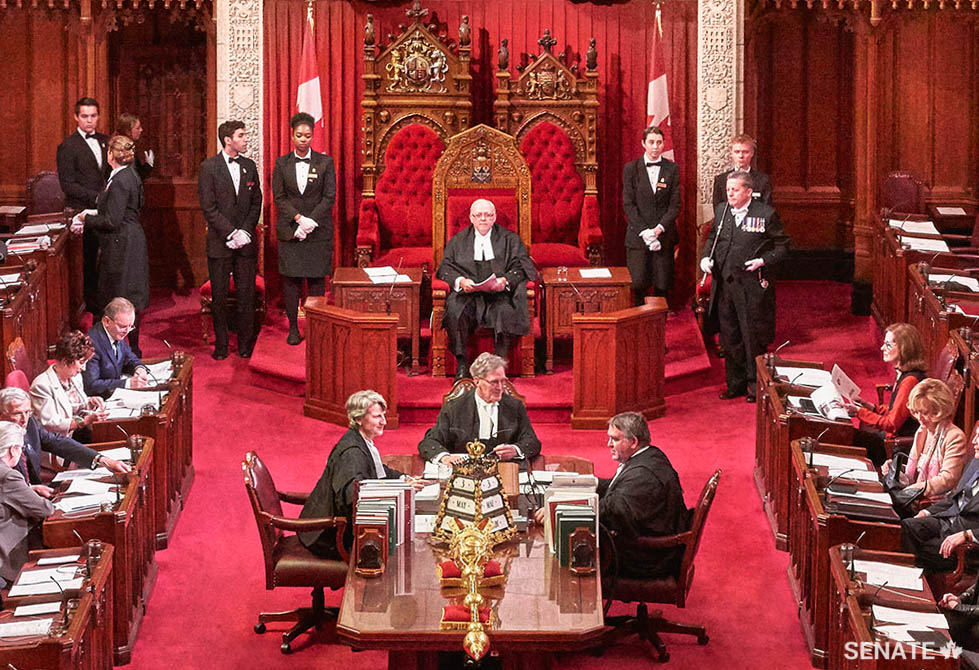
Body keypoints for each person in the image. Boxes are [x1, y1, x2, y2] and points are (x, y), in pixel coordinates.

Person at [532, 412, 688, 579]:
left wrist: (557, 508)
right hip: (649, 544)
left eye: (615, 439)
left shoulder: (643, 476)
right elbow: (617, 485)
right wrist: (583, 483)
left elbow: (612, 510)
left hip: (645, 559)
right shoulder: (649, 456)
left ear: (633, 442)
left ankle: (571, 596)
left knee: (566, 548)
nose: (609, 444)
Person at [299, 390, 427, 558]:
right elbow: (357, 496)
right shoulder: (352, 453)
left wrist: (404, 478)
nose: (384, 422)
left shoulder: (360, 440)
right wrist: (400, 488)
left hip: (338, 525)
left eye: (383, 416)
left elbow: (377, 469)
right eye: (377, 417)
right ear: (358, 418)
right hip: (330, 535)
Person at [700, 171, 789, 403]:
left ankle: (754, 386)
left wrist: (763, 261)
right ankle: (735, 383)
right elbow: (712, 240)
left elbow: (782, 246)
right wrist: (705, 258)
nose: (730, 193)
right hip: (725, 285)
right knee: (729, 337)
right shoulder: (722, 211)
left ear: (749, 192)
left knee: (751, 337)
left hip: (751, 287)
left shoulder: (766, 214)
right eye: (729, 189)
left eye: (735, 189)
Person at [436, 199, 536, 379]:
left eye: (488, 215)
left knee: (505, 311)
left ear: (494, 217)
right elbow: (445, 268)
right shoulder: (458, 240)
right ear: (471, 218)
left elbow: (521, 267)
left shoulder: (509, 239)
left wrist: (505, 281)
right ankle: (462, 365)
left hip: (498, 294)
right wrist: (460, 281)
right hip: (468, 294)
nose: (483, 219)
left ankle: (499, 367)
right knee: (456, 310)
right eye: (478, 215)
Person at [72, 135, 149, 356]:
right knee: (126, 295)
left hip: (122, 245)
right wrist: (92, 214)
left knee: (121, 296)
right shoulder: (128, 175)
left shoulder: (121, 179)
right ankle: (127, 350)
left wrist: (87, 220)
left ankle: (126, 351)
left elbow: (112, 221)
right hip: (128, 240)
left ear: (110, 155)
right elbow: (121, 212)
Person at [197, 119, 262, 360]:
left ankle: (245, 345)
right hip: (220, 244)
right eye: (242, 135)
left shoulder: (249, 165)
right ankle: (221, 345)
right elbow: (209, 207)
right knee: (221, 298)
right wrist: (230, 233)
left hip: (245, 244)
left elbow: (256, 202)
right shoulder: (209, 168)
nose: (246, 139)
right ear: (228, 140)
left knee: (246, 296)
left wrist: (244, 232)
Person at [271, 112, 336, 346]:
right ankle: (292, 329)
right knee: (291, 283)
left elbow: (329, 197)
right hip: (290, 231)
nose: (303, 140)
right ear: (292, 136)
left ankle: (316, 329)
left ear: (313, 136)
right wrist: (298, 219)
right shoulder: (281, 163)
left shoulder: (325, 162)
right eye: (299, 135)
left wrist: (310, 222)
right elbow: (279, 197)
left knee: (316, 282)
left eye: (307, 136)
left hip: (317, 232)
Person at [418, 352, 541, 466]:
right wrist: (445, 458)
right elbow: (429, 442)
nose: (500, 388)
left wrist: (515, 450)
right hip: (466, 474)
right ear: (477, 382)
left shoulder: (514, 406)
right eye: (494, 382)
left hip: (505, 471)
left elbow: (532, 442)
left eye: (503, 381)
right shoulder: (454, 408)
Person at [0, 387, 129, 490]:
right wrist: (30, 489)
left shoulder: (29, 422)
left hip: (36, 493)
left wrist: (101, 459)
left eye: (27, 412)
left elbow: (56, 441)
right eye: (17, 413)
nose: (24, 419)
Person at [845, 323, 927, 465]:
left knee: (847, 437)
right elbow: (896, 411)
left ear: (904, 348)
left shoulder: (910, 381)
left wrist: (860, 412)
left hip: (898, 446)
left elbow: (892, 424)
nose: (883, 348)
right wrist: (871, 407)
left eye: (888, 345)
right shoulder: (903, 374)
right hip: (893, 437)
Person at [57, 96, 108, 315]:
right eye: (85, 116)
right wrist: (97, 198)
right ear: (76, 117)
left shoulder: (106, 140)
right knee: (88, 260)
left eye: (93, 116)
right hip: (82, 212)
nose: (89, 121)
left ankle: (108, 300)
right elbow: (68, 185)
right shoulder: (67, 147)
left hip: (107, 211)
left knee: (109, 257)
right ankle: (94, 305)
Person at [901, 433, 979, 576]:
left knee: (923, 550)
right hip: (946, 520)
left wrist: (968, 535)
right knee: (908, 526)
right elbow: (953, 498)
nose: (973, 441)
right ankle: (908, 578)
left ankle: (916, 587)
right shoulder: (975, 462)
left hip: (963, 537)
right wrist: (927, 512)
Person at [880, 378, 967, 502]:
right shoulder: (923, 430)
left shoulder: (955, 436)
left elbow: (947, 480)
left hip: (933, 504)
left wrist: (913, 490)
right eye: (916, 412)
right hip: (914, 497)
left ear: (939, 410)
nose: (919, 418)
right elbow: (915, 473)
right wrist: (896, 470)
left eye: (925, 413)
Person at [622, 125, 681, 303]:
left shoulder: (672, 169)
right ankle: (640, 321)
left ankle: (661, 323)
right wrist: (644, 231)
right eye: (651, 142)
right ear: (643, 144)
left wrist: (658, 229)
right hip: (638, 236)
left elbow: (675, 205)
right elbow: (629, 204)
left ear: (664, 144)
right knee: (638, 283)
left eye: (659, 142)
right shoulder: (631, 169)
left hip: (664, 235)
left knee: (662, 283)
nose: (655, 146)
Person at [0, 421, 55, 588]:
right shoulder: (8, 476)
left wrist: (28, 489)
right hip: (8, 559)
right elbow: (45, 509)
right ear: (12, 449)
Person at [30, 331, 106, 442]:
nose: (84, 368)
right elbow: (50, 424)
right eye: (81, 362)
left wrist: (90, 402)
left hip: (76, 435)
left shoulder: (76, 377)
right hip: (58, 443)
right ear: (66, 362)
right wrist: (83, 422)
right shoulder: (42, 386)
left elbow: (76, 406)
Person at [82, 297, 150, 399]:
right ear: (106, 321)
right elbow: (92, 385)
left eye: (130, 326)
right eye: (123, 327)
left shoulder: (115, 332)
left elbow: (129, 357)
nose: (127, 331)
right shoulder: (92, 344)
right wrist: (127, 384)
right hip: (101, 401)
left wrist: (139, 368)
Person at [710, 134, 773, 208]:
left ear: (752, 153)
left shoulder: (763, 180)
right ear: (732, 154)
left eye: (745, 152)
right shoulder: (721, 180)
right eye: (737, 152)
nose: (741, 156)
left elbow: (766, 209)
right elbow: (718, 209)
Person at [115, 112, 154, 181]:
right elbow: (134, 177)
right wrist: (148, 165)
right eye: (137, 128)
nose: (141, 130)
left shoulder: (128, 146)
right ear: (128, 131)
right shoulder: (123, 149)